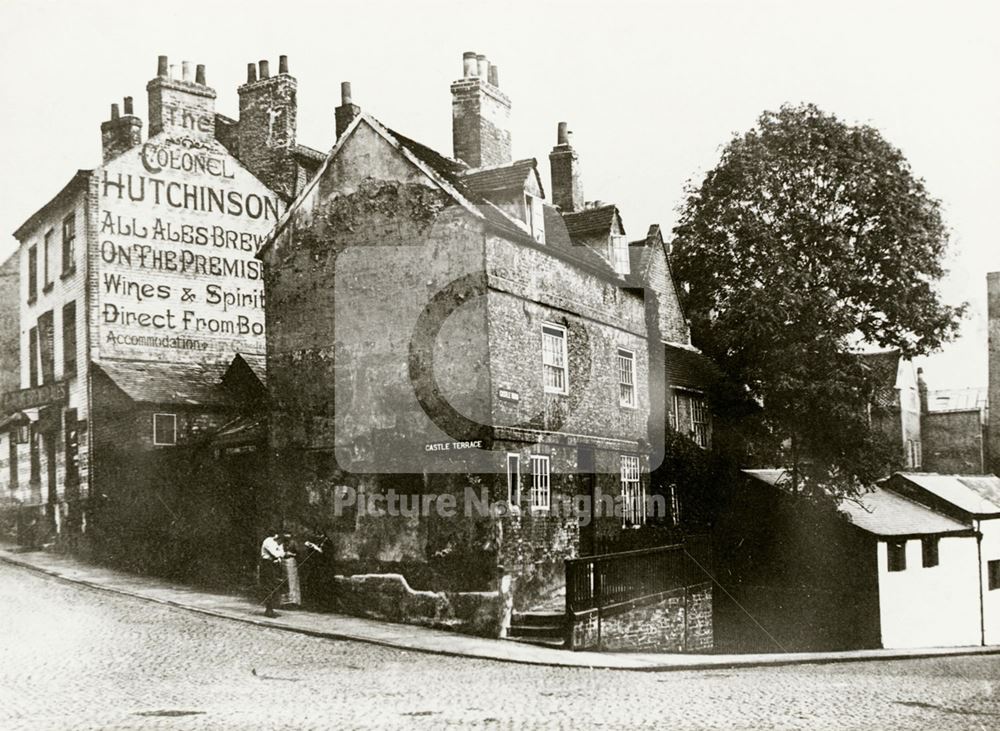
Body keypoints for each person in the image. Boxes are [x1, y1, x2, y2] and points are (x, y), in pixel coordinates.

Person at [258, 531, 285, 618]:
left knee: (273, 585)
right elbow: (276, 554)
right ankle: (268, 609)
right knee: (268, 586)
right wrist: (279, 553)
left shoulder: (274, 542)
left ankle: (271, 609)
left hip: (272, 565)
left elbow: (282, 554)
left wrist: (280, 553)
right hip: (267, 564)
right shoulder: (268, 541)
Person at [280, 533, 301, 608]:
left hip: (291, 562)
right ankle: (284, 602)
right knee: (284, 582)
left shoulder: (294, 543)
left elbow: (298, 553)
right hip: (283, 562)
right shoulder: (281, 543)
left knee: (292, 582)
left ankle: (293, 601)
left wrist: (292, 554)